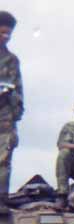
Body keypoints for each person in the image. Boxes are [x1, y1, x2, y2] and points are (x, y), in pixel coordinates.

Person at [0, 11, 24, 213]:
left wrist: (16, 114)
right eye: (2, 33)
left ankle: (0, 200)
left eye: (9, 34)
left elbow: (18, 89)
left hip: (5, 117)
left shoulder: (12, 60)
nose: (5, 37)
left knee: (3, 160)